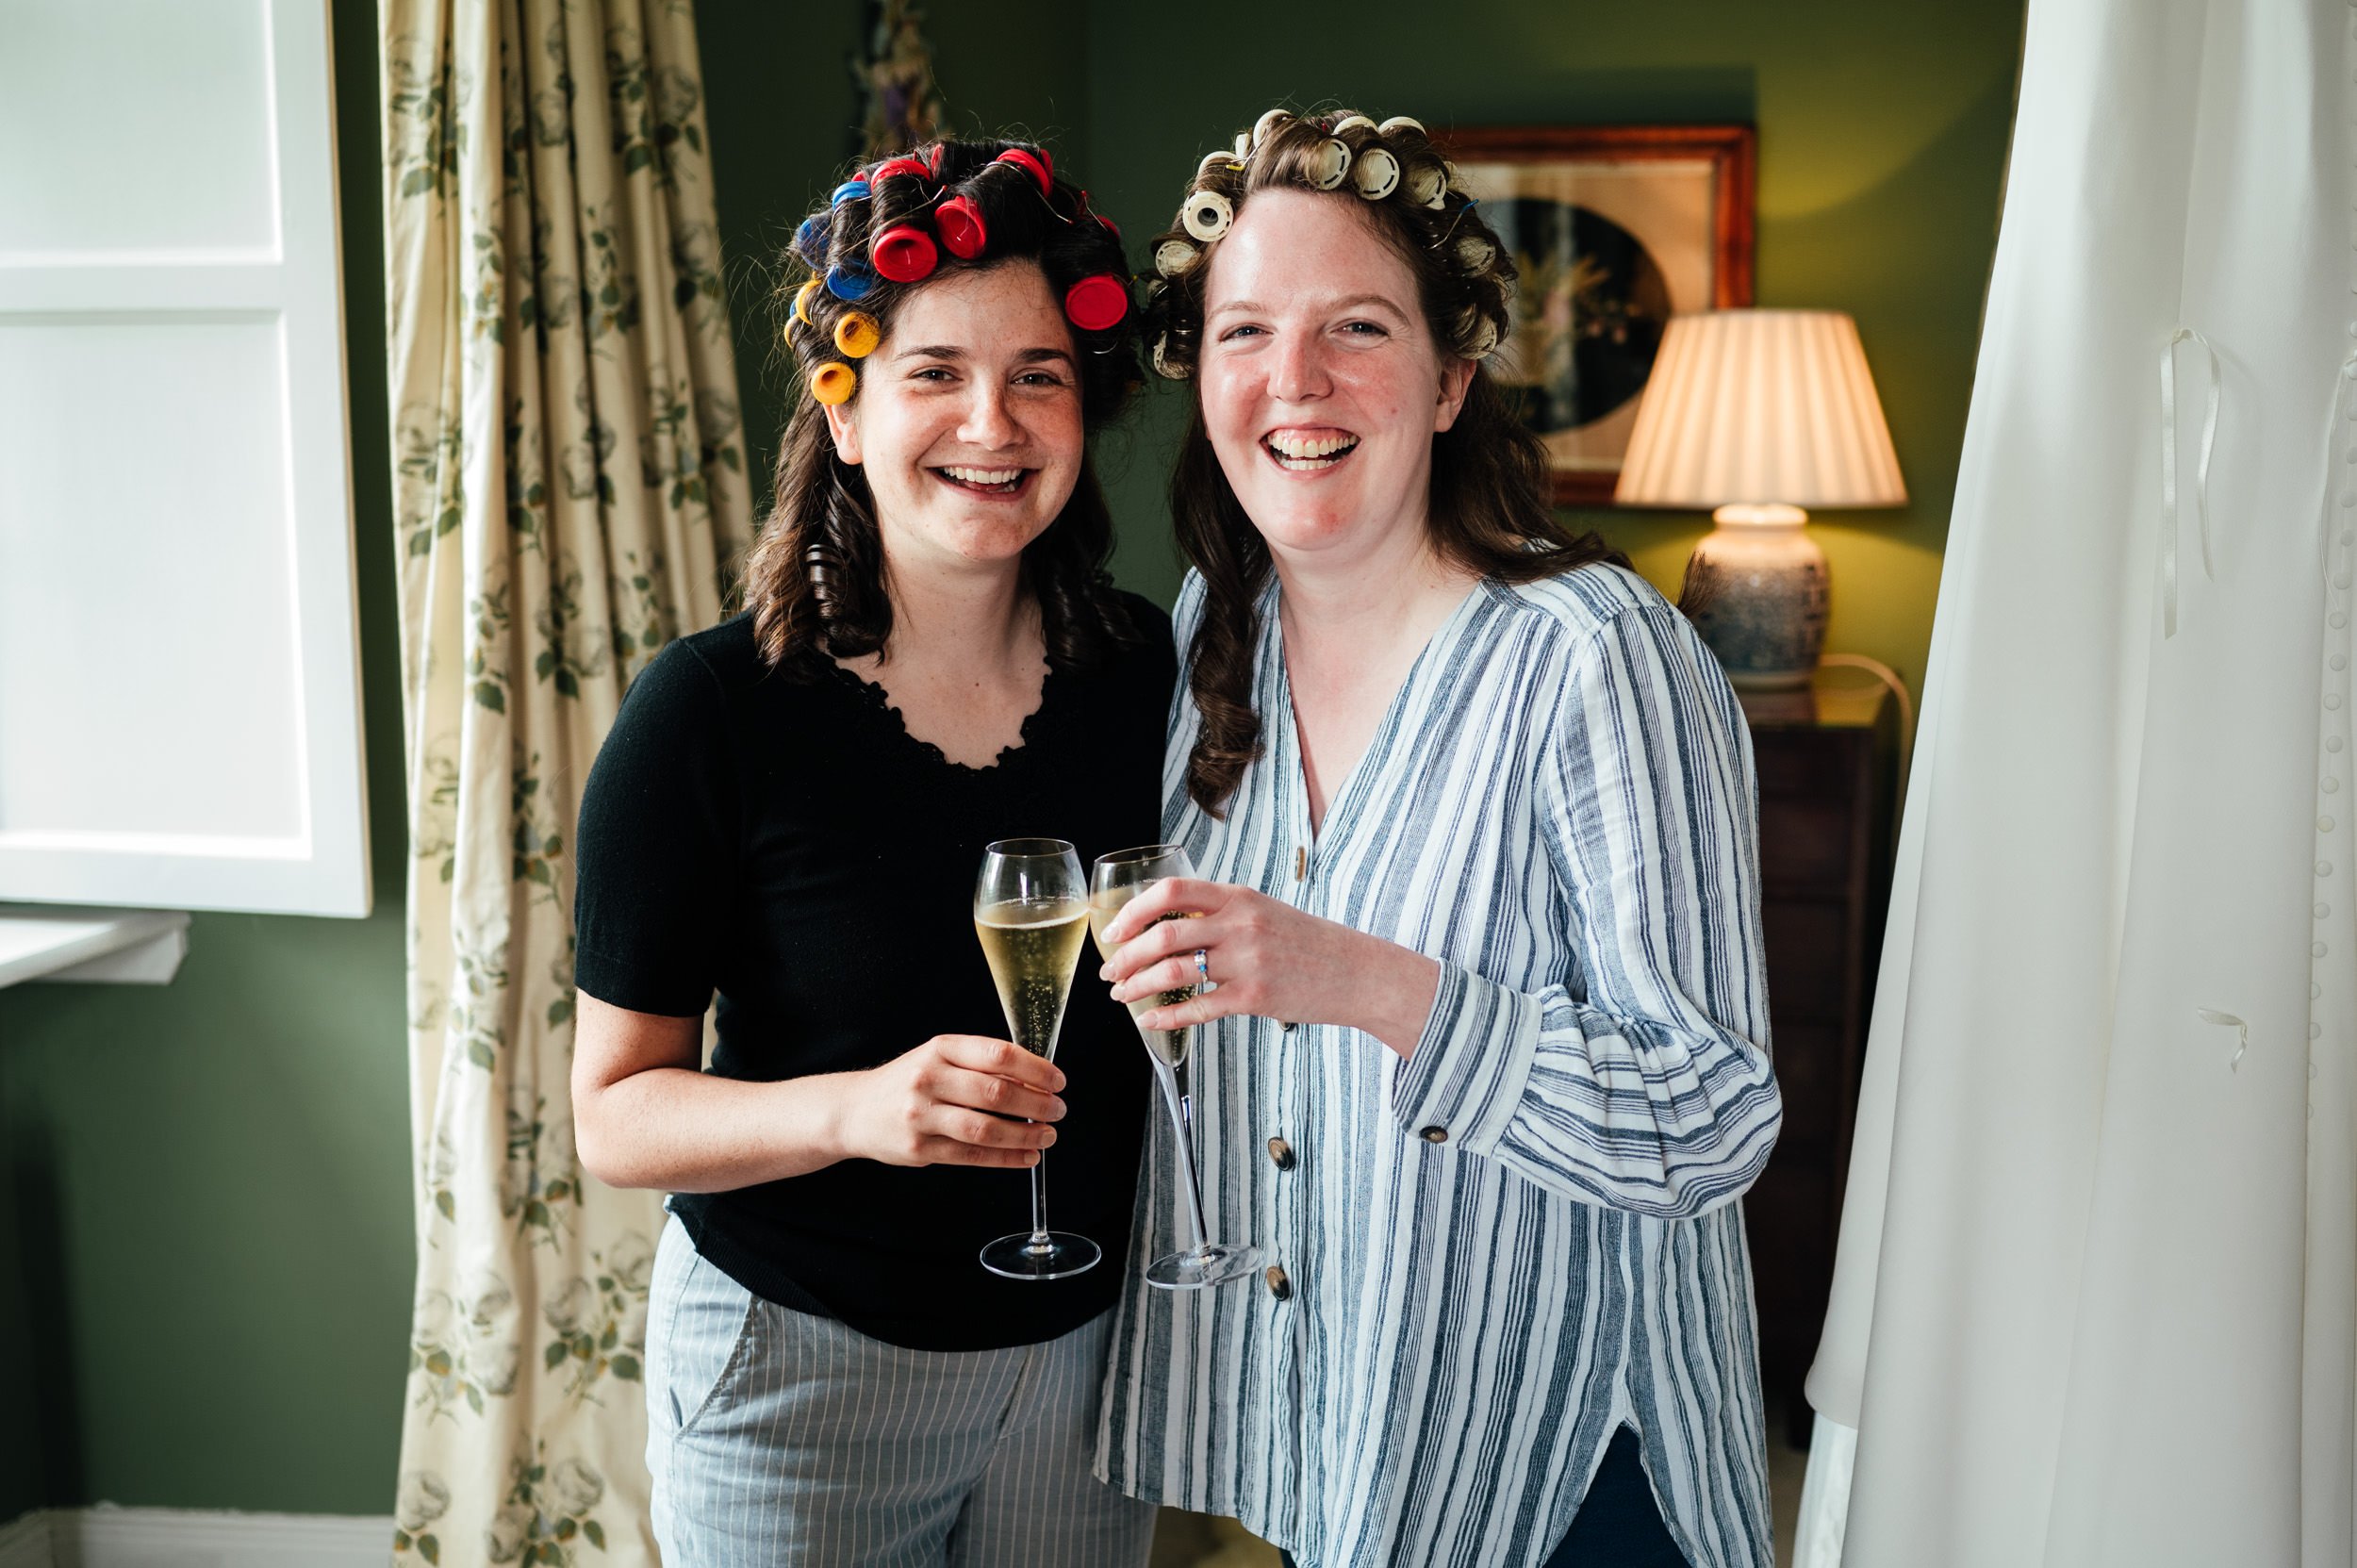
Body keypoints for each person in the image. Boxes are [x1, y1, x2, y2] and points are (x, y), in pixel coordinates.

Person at [1092, 107, 1781, 1568]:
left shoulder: (1598, 657)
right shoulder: (1224, 627)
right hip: (1341, 1441)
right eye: (1245, 334)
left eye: (1357, 328)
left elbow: (1716, 1114)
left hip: (1565, 1462)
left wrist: (1359, 979)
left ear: (1453, 377)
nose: (1296, 381)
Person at [569, 137, 1167, 1567]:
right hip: (798, 1373)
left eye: (1038, 374)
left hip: (1086, 1366)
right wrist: (852, 1112)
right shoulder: (710, 713)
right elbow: (615, 1119)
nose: (994, 421)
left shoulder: (1147, 670)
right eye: (935, 373)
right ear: (845, 417)